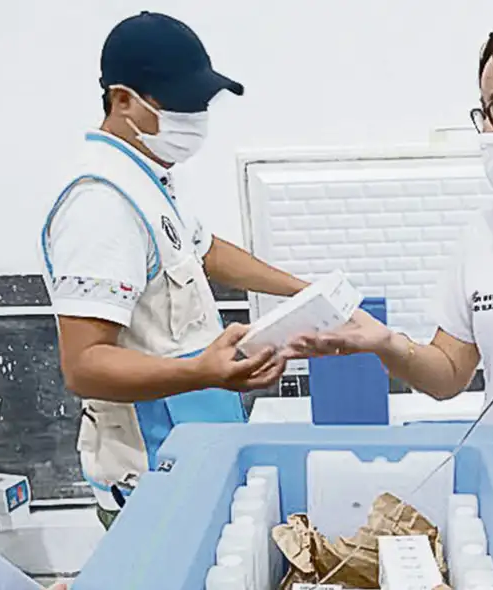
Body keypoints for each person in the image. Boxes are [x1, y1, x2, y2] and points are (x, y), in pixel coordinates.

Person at [41, 11, 306, 528]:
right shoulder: (99, 203)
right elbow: (84, 364)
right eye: (182, 104)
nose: (196, 116)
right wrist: (200, 372)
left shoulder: (146, 177)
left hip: (197, 452)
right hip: (150, 476)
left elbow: (202, 250)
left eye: (202, 104)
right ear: (122, 100)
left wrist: (303, 290)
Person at [286, 5, 493, 432]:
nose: (490, 134)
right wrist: (387, 343)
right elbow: (448, 375)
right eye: (486, 113)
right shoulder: (489, 231)